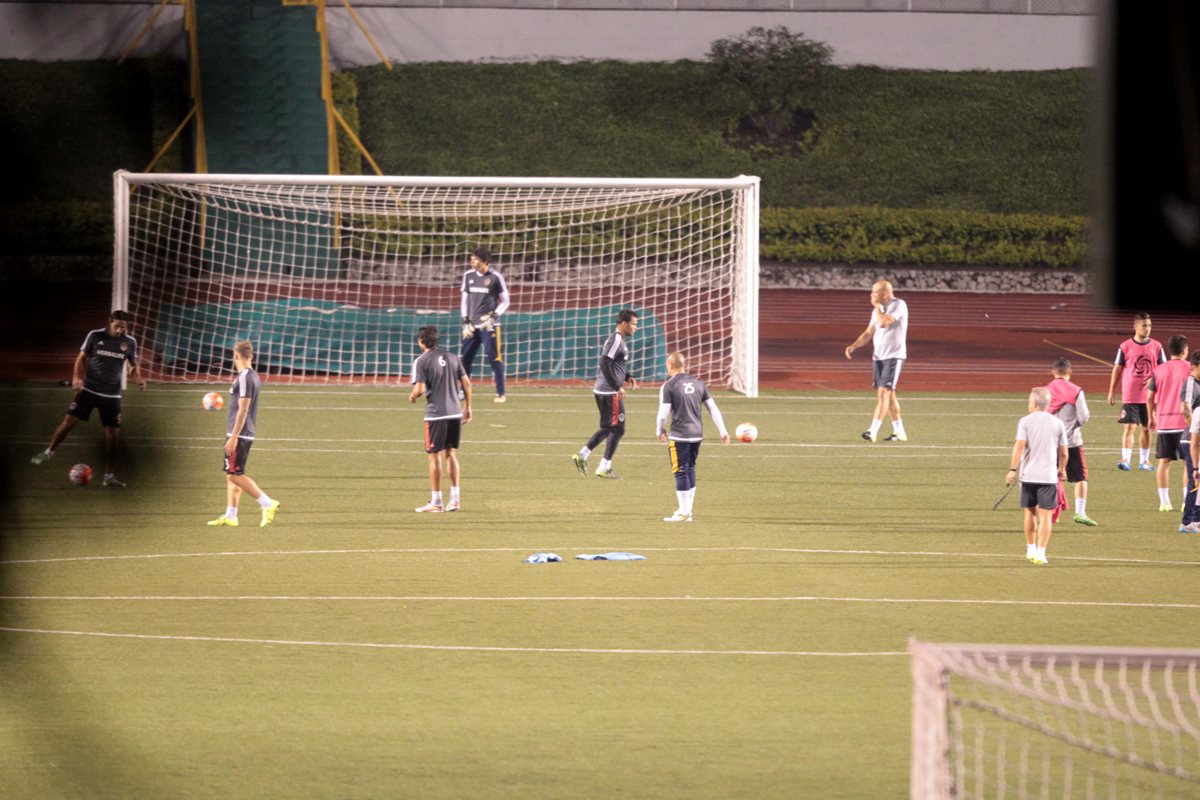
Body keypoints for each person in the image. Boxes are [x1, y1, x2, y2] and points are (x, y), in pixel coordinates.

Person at [31, 310, 147, 487]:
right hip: (89, 390)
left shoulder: (130, 342)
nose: (120, 331)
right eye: (117, 326)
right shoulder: (95, 335)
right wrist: (77, 378)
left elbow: (133, 364)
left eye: (123, 328)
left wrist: (137, 377)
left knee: (113, 437)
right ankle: (48, 452)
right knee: (68, 423)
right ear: (109, 322)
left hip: (112, 395)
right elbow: (81, 358)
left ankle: (109, 477)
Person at [206, 340, 280, 528]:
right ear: (251, 356)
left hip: (240, 433)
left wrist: (234, 436)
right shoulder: (249, 376)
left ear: (236, 356)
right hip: (240, 431)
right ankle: (231, 515)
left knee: (233, 474)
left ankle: (267, 503)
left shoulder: (246, 378)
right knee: (232, 472)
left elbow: (243, 409)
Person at [655, 352, 731, 522]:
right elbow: (713, 408)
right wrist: (723, 430)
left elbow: (663, 413)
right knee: (690, 469)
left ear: (670, 365)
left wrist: (659, 430)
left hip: (680, 435)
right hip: (697, 434)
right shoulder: (698, 383)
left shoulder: (669, 386)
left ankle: (683, 513)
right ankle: (687, 510)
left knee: (680, 471)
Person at [409, 325, 472, 512]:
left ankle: (436, 502)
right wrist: (468, 407)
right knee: (451, 453)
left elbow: (419, 389)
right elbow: (467, 383)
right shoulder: (453, 357)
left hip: (436, 414)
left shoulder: (421, 361)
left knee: (433, 455)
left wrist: (412, 396)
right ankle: (455, 500)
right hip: (455, 412)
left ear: (421, 341)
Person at [572, 308, 638, 479]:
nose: (635, 328)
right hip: (608, 391)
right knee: (618, 428)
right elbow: (604, 363)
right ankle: (603, 466)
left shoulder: (620, 339)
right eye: (634, 324)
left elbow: (615, 364)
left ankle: (584, 456)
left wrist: (627, 375)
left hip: (605, 389)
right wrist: (617, 387)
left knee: (610, 427)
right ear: (623, 324)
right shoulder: (616, 339)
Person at [1006, 387, 1069, 565]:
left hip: (1028, 476)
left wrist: (1012, 469)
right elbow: (1063, 451)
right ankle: (1041, 553)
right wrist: (1062, 469)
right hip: (1048, 477)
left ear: (1033, 403)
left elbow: (1019, 446)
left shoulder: (1025, 422)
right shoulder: (1057, 423)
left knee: (1030, 513)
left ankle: (1030, 548)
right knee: (1046, 516)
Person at [844, 279, 909, 443]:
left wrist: (877, 307)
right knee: (890, 396)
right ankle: (899, 431)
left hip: (894, 356)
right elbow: (869, 332)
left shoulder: (898, 305)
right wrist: (854, 346)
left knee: (883, 393)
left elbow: (883, 323)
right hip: (878, 357)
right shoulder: (877, 310)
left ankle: (872, 431)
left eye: (875, 292)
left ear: (884, 294)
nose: (871, 295)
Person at [1107, 312, 1165, 471]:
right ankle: (1125, 459)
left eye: (1149, 325)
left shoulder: (1157, 346)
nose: (1148, 329)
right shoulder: (1125, 346)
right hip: (1131, 393)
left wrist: (1154, 379)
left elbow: (1164, 368)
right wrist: (1112, 390)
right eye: (1144, 325)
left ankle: (1144, 461)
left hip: (1150, 396)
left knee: (1146, 428)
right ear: (1135, 326)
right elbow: (1117, 368)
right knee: (1129, 427)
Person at [1045, 357, 1097, 526]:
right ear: (1070, 372)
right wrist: (1072, 428)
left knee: (1050, 478)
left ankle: (1051, 513)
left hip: (1049, 442)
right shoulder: (1076, 390)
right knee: (1081, 477)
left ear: (1052, 372)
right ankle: (1080, 513)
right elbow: (1084, 416)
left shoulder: (1045, 391)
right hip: (1072, 442)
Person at [1146, 335, 1191, 513]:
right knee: (1189, 462)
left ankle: (1164, 502)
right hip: (1185, 422)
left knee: (1164, 463)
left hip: (1164, 422)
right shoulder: (1191, 368)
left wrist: (1151, 417)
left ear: (1169, 351)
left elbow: (1149, 397)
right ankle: (1187, 501)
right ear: (1185, 351)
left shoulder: (1159, 370)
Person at [459, 247, 510, 403]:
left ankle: (501, 393)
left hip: (490, 326)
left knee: (494, 358)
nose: (471, 262)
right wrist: (466, 321)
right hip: (472, 326)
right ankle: (463, 391)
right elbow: (465, 300)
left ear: (485, 261)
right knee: (465, 359)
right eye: (471, 258)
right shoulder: (468, 276)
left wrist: (493, 318)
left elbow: (506, 301)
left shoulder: (496, 277)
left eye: (475, 259)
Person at [1179, 351, 1200, 533]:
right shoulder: (1192, 383)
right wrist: (1195, 431)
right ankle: (1187, 522)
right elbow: (1185, 409)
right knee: (1195, 480)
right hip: (1191, 440)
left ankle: (1196, 519)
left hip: (1195, 438)